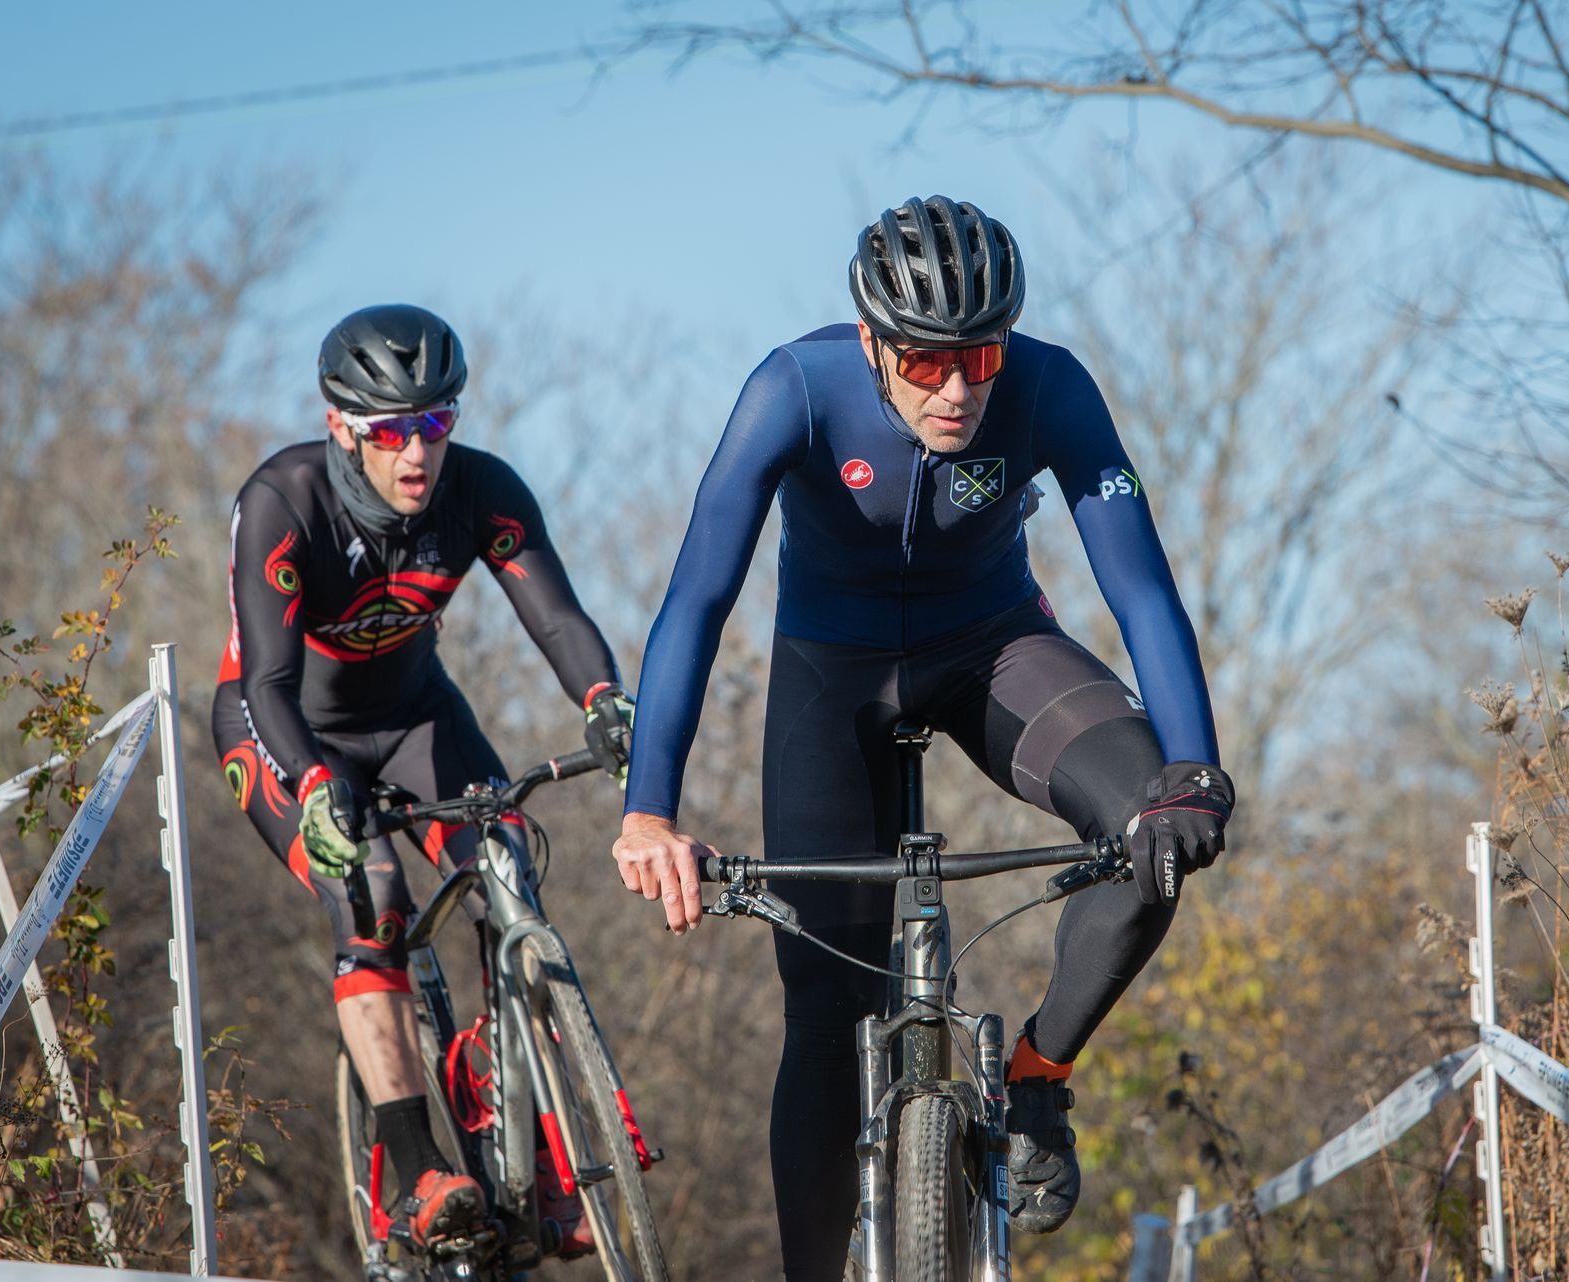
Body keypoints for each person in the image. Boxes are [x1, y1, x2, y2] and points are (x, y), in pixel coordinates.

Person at [610, 196, 1235, 1280]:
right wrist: (649, 810)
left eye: (979, 354)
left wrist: (1193, 769)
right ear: (869, 341)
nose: (957, 388)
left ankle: (1035, 1074)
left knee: (1153, 834)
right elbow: (697, 602)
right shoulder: (792, 389)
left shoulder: (1049, 385)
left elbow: (1139, 586)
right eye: (924, 359)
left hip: (993, 647)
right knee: (823, 1014)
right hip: (831, 674)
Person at [212, 304, 634, 1251]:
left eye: (437, 424)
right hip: (286, 732)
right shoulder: (283, 502)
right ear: (342, 428)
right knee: (376, 905)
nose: (418, 452)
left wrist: (608, 702)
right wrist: (314, 788)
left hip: (415, 719)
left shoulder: (480, 491)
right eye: (394, 431)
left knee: (509, 871)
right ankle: (419, 1173)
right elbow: (268, 683)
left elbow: (558, 621)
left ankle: (510, 1094)